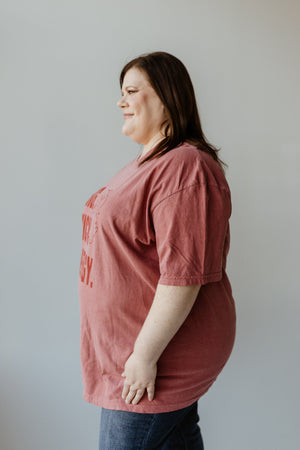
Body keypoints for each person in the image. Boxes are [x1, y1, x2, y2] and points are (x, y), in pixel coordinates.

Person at [78, 51, 236, 449]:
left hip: (155, 360)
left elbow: (183, 277)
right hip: (133, 354)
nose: (121, 102)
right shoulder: (150, 163)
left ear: (166, 98)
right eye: (121, 92)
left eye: (132, 91)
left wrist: (143, 357)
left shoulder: (185, 166)